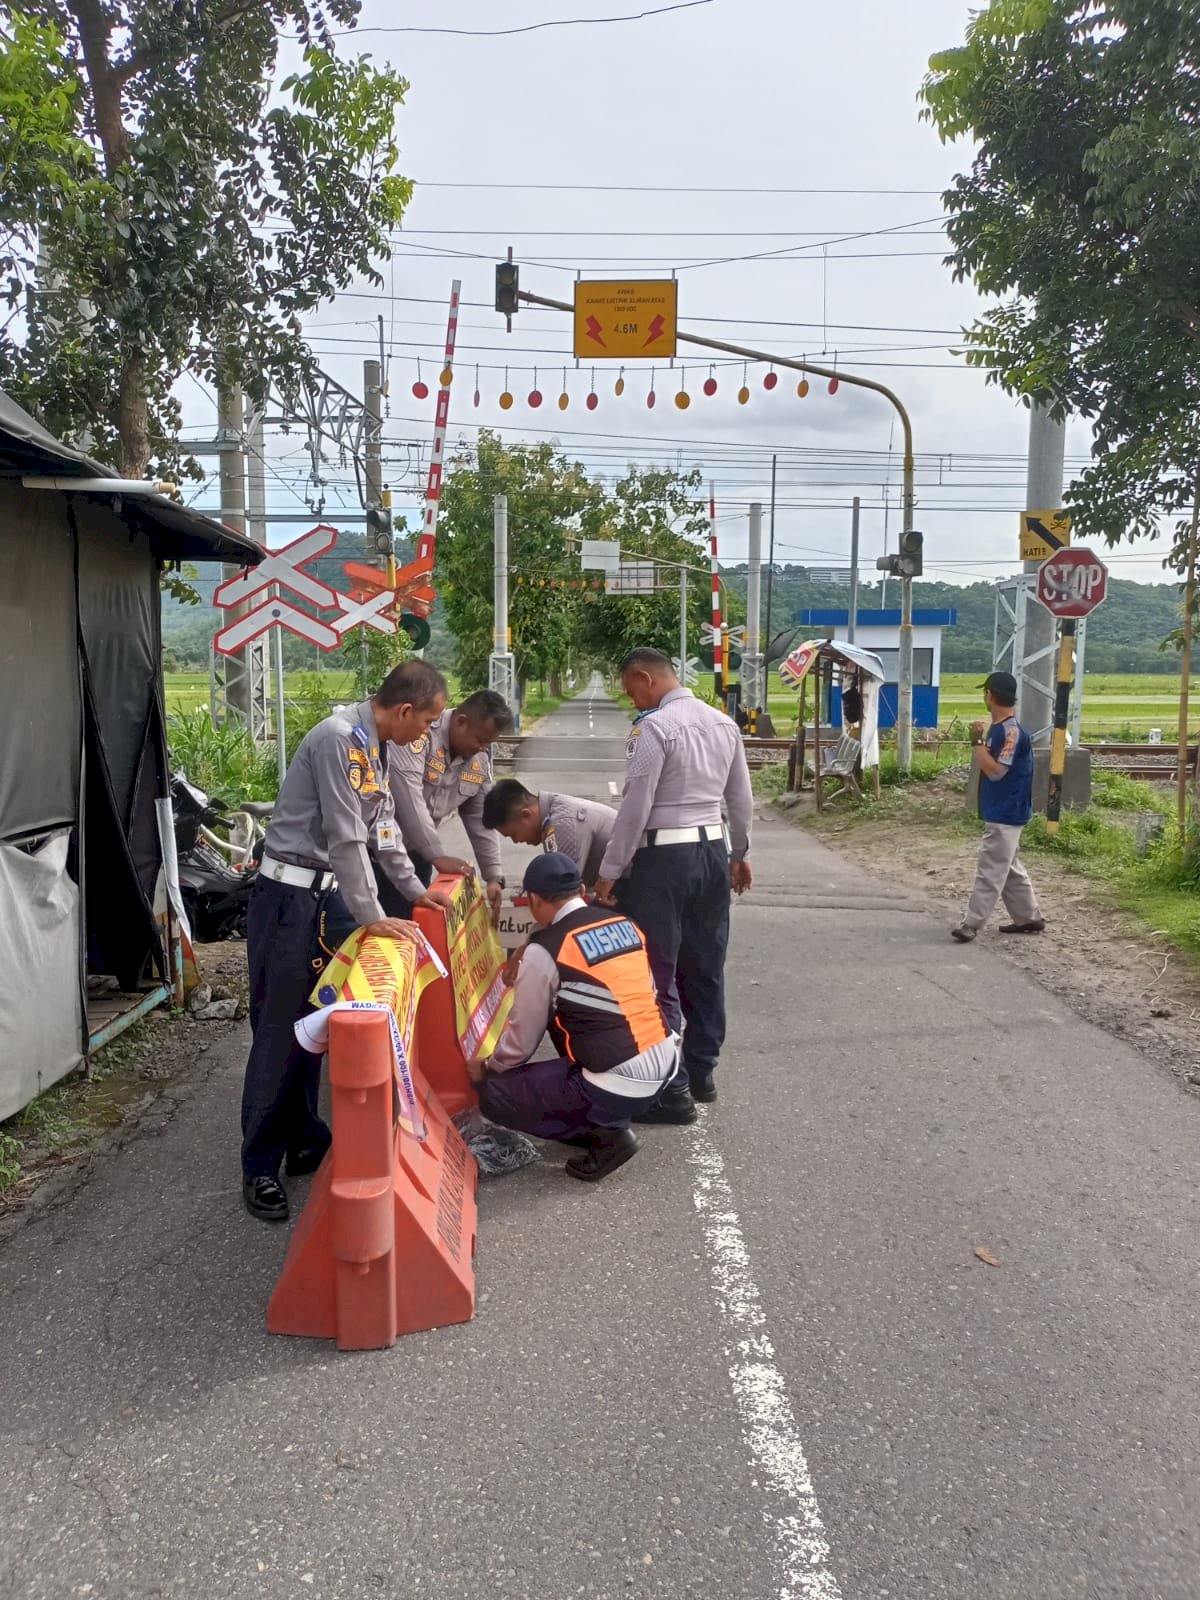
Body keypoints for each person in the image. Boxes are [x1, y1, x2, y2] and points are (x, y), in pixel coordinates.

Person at [240, 660, 452, 1222]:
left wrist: (413, 889)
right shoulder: (338, 740)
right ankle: (260, 1163)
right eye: (428, 722)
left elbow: (383, 833)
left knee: (317, 1022)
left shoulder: (374, 746)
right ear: (404, 710)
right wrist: (373, 915)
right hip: (289, 902)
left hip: (321, 901)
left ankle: (305, 1135)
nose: (428, 733)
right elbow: (346, 837)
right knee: (278, 1032)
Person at [594, 648, 753, 1116]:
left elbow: (636, 807)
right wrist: (739, 855)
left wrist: (610, 871)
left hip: (663, 859)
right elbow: (740, 800)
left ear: (645, 678)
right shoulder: (723, 723)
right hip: (712, 854)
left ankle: (672, 1087)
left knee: (658, 970)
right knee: (705, 965)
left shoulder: (654, 728)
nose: (633, 702)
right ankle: (702, 1070)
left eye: (631, 691)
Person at [474, 853, 680, 1183]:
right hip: (666, 1063)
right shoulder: (623, 924)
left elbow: (522, 1039)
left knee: (497, 1092)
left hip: (618, 1081)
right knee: (569, 1012)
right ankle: (604, 1116)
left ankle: (605, 1135)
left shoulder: (547, 948)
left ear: (535, 900)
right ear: (582, 890)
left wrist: (487, 1070)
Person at [383, 689, 515, 922]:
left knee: (408, 928)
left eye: (489, 743)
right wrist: (438, 855)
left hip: (417, 857)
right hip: (379, 853)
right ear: (461, 722)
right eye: (480, 739)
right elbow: (410, 801)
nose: (482, 748)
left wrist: (493, 876)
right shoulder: (420, 736)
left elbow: (481, 821)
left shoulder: (478, 763)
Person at [952, 670, 1045, 944]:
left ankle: (971, 924)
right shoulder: (1004, 729)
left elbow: (995, 772)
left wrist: (977, 742)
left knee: (991, 869)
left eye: (985, 693)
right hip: (1005, 810)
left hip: (1006, 812)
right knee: (1009, 867)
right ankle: (1028, 917)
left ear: (990, 696)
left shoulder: (1011, 732)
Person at [481, 779, 617, 888]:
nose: (516, 841)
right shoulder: (554, 809)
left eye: (513, 834)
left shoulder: (561, 824)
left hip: (630, 881)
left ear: (526, 815)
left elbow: (563, 893)